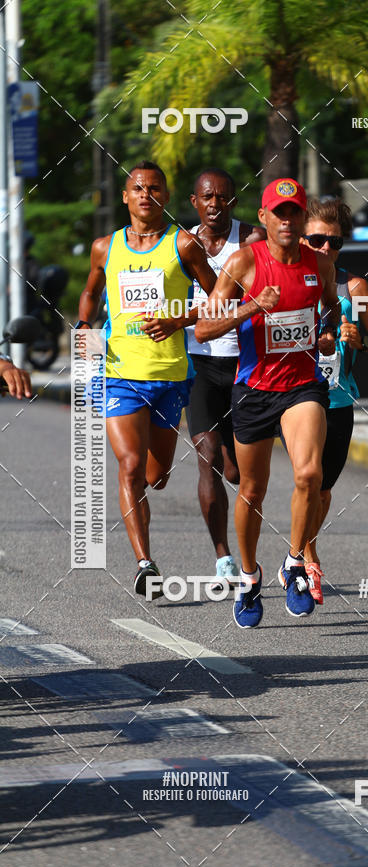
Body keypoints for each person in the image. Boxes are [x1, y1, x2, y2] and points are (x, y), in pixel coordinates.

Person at [195, 177, 340, 628]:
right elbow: (203, 329)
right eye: (279, 213)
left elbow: (329, 308)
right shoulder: (243, 262)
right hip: (254, 389)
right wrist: (251, 307)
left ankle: (294, 563)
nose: (287, 220)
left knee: (309, 474)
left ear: (302, 217)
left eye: (295, 212)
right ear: (263, 217)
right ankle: (249, 575)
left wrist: (329, 334)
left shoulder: (319, 263)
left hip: (302, 386)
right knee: (252, 490)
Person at [77, 160, 216, 596]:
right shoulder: (106, 247)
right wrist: (84, 327)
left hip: (171, 376)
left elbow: (219, 299)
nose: (145, 194)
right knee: (130, 467)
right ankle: (144, 563)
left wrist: (180, 321)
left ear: (166, 197)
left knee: (156, 476)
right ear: (125, 196)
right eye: (138, 187)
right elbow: (90, 290)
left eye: (154, 188)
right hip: (119, 373)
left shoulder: (185, 244)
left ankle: (146, 538)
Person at [299, 197, 368, 603]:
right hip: (295, 397)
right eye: (316, 240)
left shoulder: (356, 288)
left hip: (338, 398)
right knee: (308, 476)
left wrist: (364, 340)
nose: (325, 249)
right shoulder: (284, 282)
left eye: (334, 243)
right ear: (301, 238)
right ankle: (304, 555)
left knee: (322, 490)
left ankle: (304, 547)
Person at [185, 168, 265, 592]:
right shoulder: (183, 243)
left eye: (223, 198)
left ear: (234, 202)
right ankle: (223, 557)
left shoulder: (253, 240)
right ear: (195, 202)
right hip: (200, 364)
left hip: (243, 367)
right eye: (207, 197)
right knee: (207, 455)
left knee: (236, 471)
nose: (215, 204)